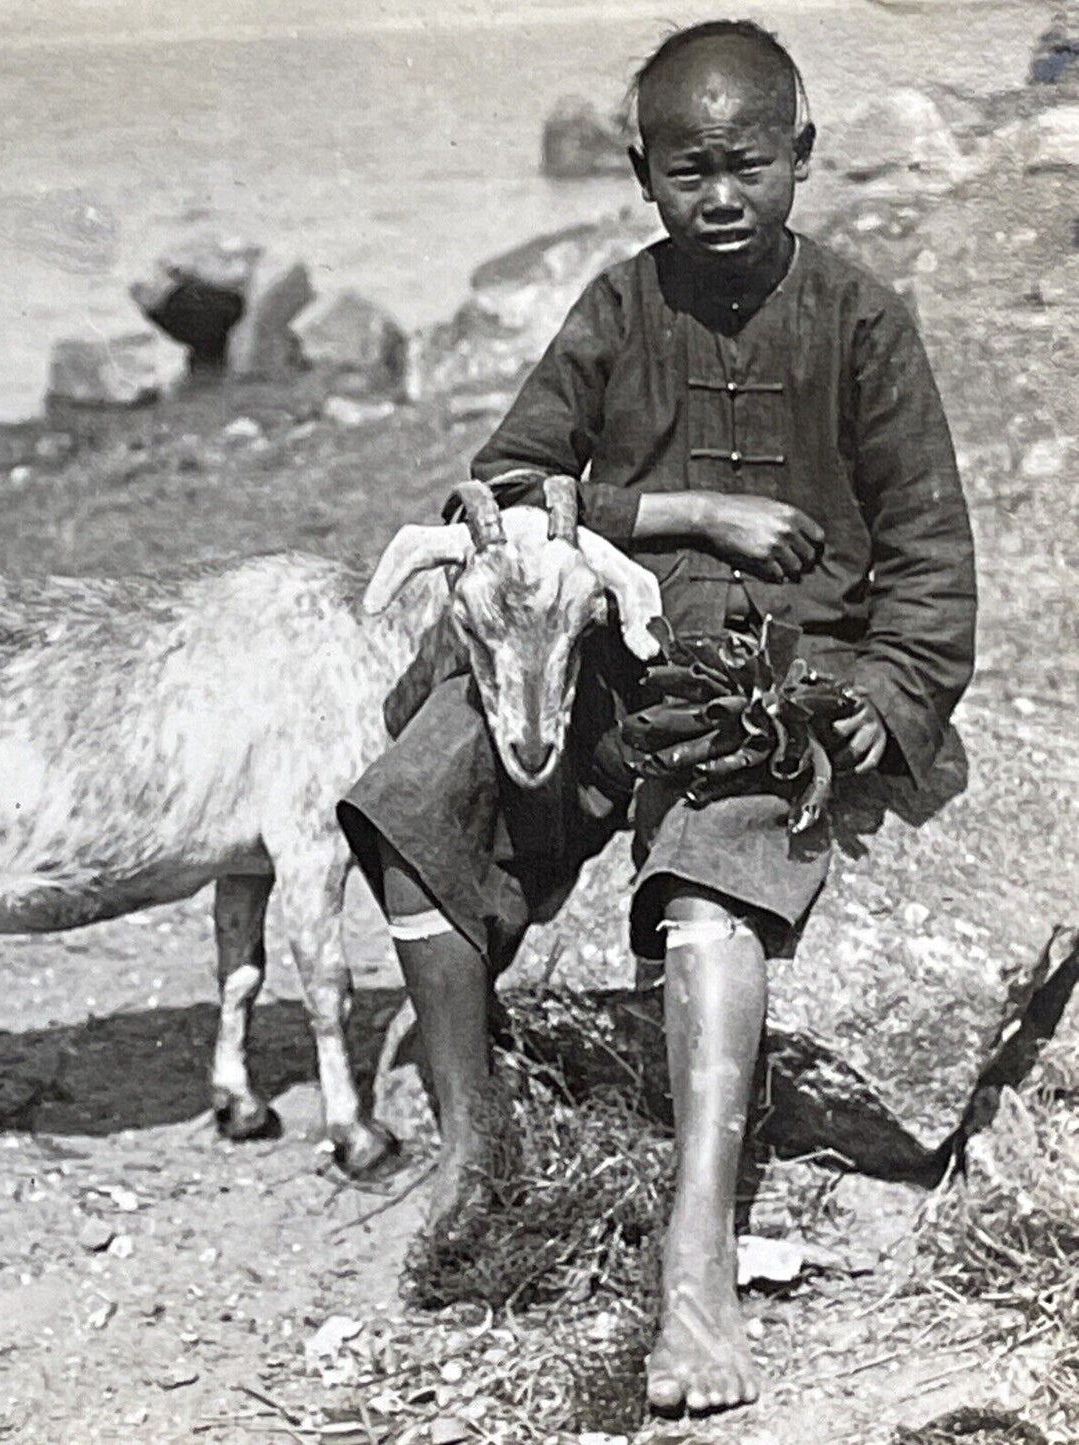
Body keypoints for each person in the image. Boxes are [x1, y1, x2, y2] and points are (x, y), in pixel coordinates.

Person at [337, 18, 977, 1417]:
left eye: (749, 162)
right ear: (642, 174)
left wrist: (884, 692)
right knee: (412, 806)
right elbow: (504, 488)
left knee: (704, 888)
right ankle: (469, 1150)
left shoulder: (861, 322)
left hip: (773, 685)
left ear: (802, 158)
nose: (722, 195)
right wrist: (677, 510)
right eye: (689, 170)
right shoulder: (619, 309)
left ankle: (693, 1244)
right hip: (604, 667)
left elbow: (931, 557)